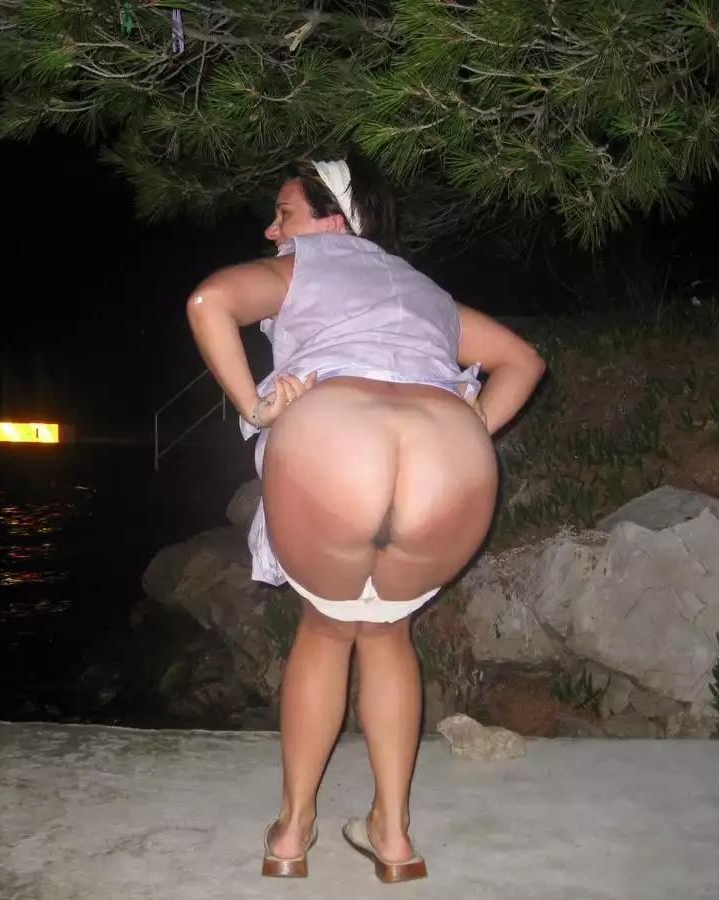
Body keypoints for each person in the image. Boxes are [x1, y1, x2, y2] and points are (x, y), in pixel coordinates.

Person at [186, 149, 546, 883]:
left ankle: (293, 832)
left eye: (284, 214)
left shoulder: (302, 267)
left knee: (325, 630)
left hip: (336, 441)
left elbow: (208, 302)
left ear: (333, 222)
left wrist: (257, 404)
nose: (271, 230)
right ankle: (393, 837)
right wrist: (470, 426)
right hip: (451, 458)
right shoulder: (426, 292)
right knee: (386, 632)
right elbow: (525, 361)